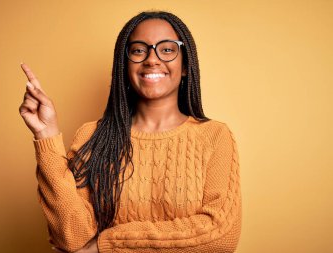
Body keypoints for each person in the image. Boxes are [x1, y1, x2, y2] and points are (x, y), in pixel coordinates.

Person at [19, 11, 242, 253]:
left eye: (167, 49)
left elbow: (220, 237)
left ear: (186, 66)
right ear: (124, 66)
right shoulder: (93, 136)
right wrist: (46, 134)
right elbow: (72, 237)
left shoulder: (215, 136)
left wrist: (106, 246)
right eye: (138, 50)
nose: (152, 59)